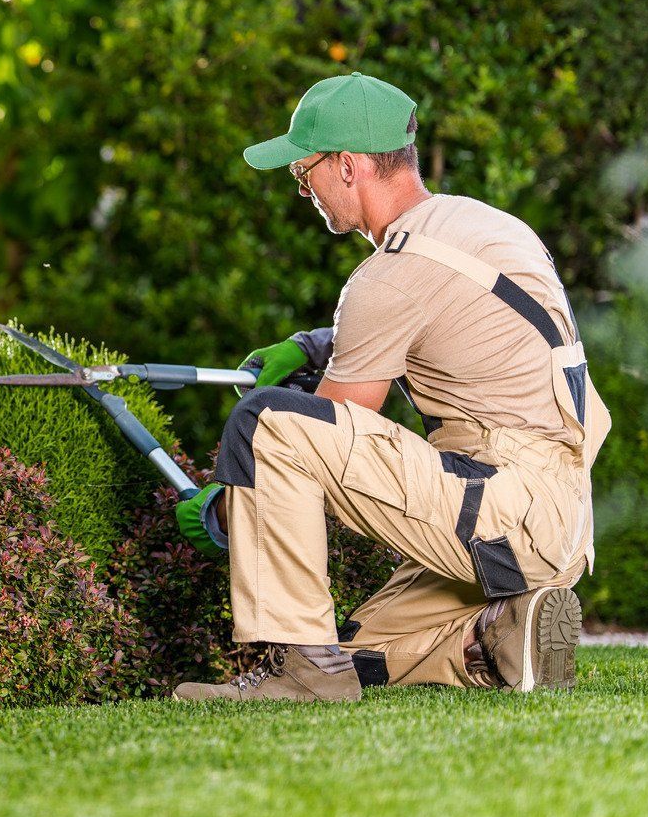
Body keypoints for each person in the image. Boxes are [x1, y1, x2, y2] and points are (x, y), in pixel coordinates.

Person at [171, 72, 610, 702]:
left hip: (502, 511)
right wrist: (315, 344)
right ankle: (495, 636)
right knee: (352, 647)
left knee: (265, 423)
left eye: (305, 169)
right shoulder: (481, 227)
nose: (302, 187)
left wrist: (223, 508)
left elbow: (327, 437)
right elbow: (449, 325)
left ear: (347, 166)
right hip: (555, 520)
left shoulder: (388, 276)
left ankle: (305, 677)